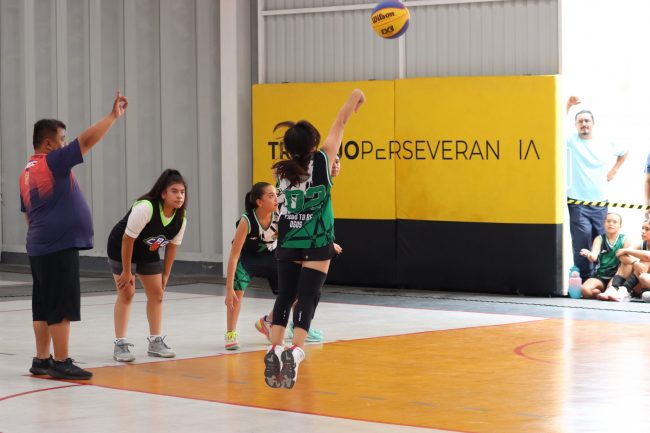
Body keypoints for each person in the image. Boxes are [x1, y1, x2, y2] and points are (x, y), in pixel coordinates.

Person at [20, 90, 128, 379]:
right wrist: (113, 116)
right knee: (61, 306)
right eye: (61, 139)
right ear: (48, 144)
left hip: (39, 247)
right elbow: (87, 141)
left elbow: (27, 214)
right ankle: (61, 361)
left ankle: (42, 359)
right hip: (58, 247)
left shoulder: (27, 172)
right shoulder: (51, 162)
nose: (65, 144)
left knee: (43, 305)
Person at [263, 88, 365, 389]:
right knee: (308, 296)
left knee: (285, 295)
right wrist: (356, 96)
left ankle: (275, 347)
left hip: (288, 240)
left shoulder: (281, 172)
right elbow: (340, 122)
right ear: (314, 143)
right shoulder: (321, 160)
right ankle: (296, 351)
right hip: (318, 241)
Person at [253, 155, 344, 347]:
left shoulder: (315, 183)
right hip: (294, 243)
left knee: (298, 290)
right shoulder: (307, 180)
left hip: (301, 241)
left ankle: (281, 325)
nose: (335, 165)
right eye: (332, 161)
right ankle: (284, 326)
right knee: (300, 290)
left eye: (338, 161)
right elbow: (295, 213)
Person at [106, 169, 187, 362]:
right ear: (163, 194)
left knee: (157, 294)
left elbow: (172, 247)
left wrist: (165, 275)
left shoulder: (181, 218)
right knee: (127, 293)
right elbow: (127, 240)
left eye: (182, 192)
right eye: (174, 191)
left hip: (147, 252)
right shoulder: (146, 207)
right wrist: (127, 272)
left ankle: (155, 342)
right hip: (121, 248)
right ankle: (120, 344)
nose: (179, 196)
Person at [566, 96, 628, 281]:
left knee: (601, 239)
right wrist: (567, 106)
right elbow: (555, 129)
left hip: (600, 202)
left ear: (593, 123)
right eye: (580, 121)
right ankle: (585, 279)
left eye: (587, 121)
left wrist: (614, 171)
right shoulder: (571, 141)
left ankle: (602, 278)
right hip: (577, 201)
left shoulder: (605, 141)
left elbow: (624, 152)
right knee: (582, 238)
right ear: (576, 125)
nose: (584, 124)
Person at [578, 212, 631, 299]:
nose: (611, 224)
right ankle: (603, 293)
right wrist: (588, 254)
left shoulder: (625, 240)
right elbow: (593, 257)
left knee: (627, 265)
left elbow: (627, 262)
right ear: (604, 223)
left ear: (620, 225)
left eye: (614, 222)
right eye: (608, 221)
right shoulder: (599, 239)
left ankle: (611, 290)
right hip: (600, 276)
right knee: (584, 290)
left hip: (616, 276)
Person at [612, 219, 650, 302]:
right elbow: (619, 254)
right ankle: (616, 288)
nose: (643, 231)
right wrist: (634, 262)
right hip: (642, 285)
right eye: (642, 228)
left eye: (647, 229)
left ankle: (626, 288)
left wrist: (626, 250)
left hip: (646, 281)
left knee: (644, 267)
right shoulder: (642, 244)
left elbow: (647, 256)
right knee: (628, 262)